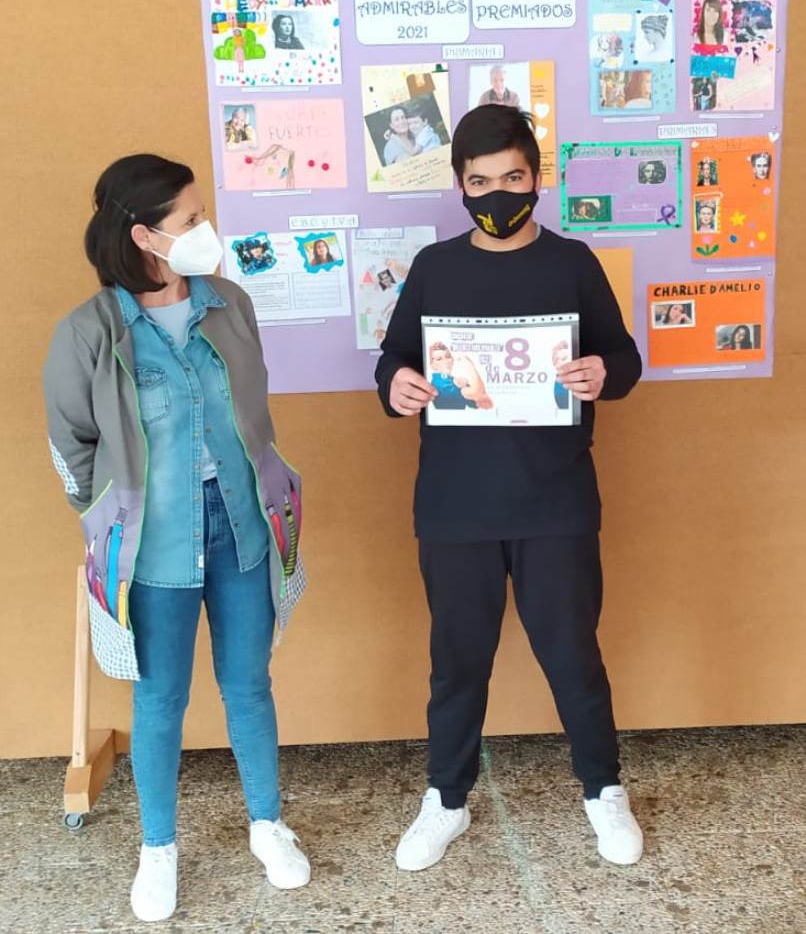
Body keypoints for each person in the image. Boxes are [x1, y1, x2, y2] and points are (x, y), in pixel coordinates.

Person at [375, 105, 644, 873]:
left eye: (512, 177)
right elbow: (392, 358)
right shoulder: (435, 267)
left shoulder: (573, 263)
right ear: (460, 185)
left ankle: (603, 788)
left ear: (536, 177)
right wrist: (397, 384)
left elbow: (623, 360)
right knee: (457, 661)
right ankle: (446, 797)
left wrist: (603, 372)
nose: (497, 194)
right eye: (480, 181)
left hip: (555, 499)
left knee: (573, 654)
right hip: (455, 504)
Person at [43, 155, 310, 923]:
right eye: (190, 219)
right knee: (159, 696)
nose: (206, 229)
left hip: (241, 524)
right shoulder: (89, 331)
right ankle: (157, 847)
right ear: (144, 236)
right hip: (153, 544)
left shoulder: (230, 303)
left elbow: (253, 411)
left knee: (248, 682)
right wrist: (105, 515)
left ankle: (267, 825)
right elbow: (71, 444)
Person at [428, 342, 493, 411]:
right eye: (439, 359)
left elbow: (485, 404)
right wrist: (468, 364)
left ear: (452, 359)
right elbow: (476, 393)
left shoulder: (454, 381)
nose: (446, 361)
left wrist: (480, 397)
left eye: (448, 356)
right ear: (432, 365)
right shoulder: (439, 384)